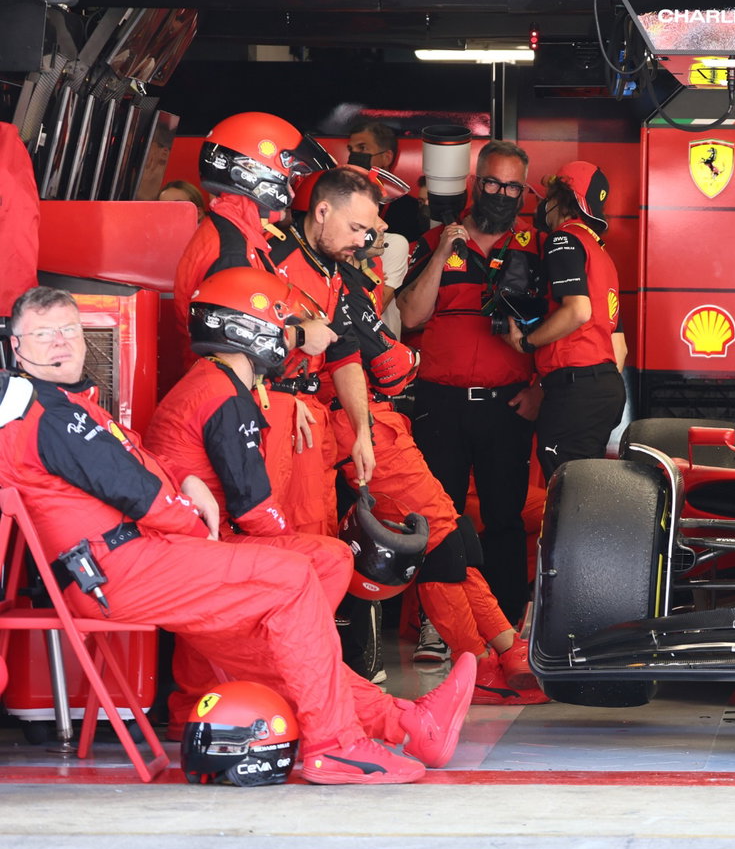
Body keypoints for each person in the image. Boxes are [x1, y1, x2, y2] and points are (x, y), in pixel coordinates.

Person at [0, 286, 474, 784]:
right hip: (119, 568)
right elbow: (139, 494)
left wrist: (180, 487)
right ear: (17, 346)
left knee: (277, 627)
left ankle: (408, 724)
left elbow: (136, 480)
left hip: (135, 557)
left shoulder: (65, 405)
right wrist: (194, 523)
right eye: (44, 333)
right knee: (290, 583)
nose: (60, 343)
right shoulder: (51, 415)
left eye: (70, 330)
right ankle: (334, 745)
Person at [293, 167, 546, 705]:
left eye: (375, 234)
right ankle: (484, 660)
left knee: (450, 537)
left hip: (358, 422)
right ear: (324, 213)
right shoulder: (311, 272)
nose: (370, 241)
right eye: (364, 230)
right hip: (346, 423)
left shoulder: (338, 274)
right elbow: (386, 359)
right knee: (437, 540)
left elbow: (378, 349)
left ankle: (499, 652)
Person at [172, 112, 342, 536]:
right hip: (247, 410)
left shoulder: (240, 237)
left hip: (263, 403)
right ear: (254, 172)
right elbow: (228, 341)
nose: (289, 189)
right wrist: (302, 339)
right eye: (287, 176)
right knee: (280, 540)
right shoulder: (229, 247)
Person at [395, 140, 541, 620]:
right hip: (441, 403)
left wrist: (540, 387)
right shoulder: (436, 240)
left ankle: (505, 623)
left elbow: (563, 325)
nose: (502, 193)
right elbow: (411, 312)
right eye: (493, 183)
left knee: (505, 518)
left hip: (507, 405)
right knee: (439, 515)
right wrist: (441, 252)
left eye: (512, 187)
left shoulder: (537, 247)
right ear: (476, 183)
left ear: (523, 192)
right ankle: (439, 625)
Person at [509, 160, 627, 483]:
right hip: (605, 389)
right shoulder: (603, 256)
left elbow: (578, 311)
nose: (544, 203)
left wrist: (525, 341)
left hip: (577, 392)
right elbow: (620, 349)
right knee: (582, 490)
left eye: (549, 195)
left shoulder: (563, 239)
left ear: (563, 199)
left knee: (568, 493)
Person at [347, 121, 428, 242]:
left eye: (362, 148)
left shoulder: (408, 209)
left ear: (386, 158)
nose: (354, 155)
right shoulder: (341, 198)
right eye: (351, 150)